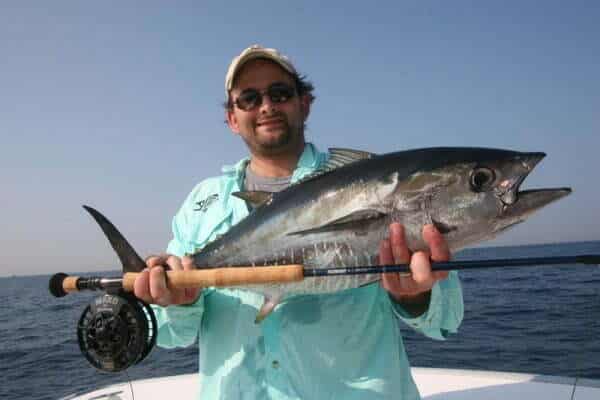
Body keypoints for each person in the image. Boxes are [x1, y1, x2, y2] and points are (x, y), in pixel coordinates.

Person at [134, 45, 463, 400]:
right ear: (232, 118)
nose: (266, 106)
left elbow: (446, 320)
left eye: (280, 93)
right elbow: (171, 334)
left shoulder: (372, 182)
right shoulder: (202, 203)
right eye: (249, 98)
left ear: (304, 103)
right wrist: (179, 301)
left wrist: (417, 297)